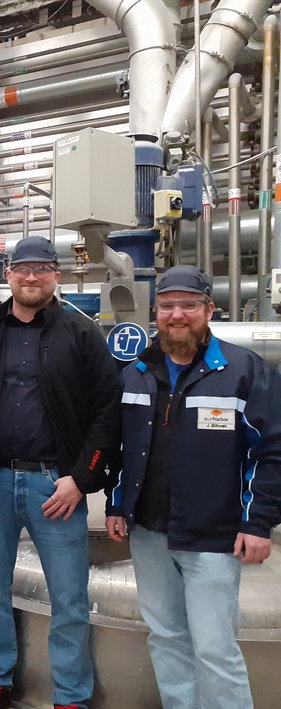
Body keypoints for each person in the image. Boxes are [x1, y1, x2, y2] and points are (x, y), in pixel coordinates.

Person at [0, 236, 120, 709]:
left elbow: (107, 411)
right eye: (22, 268)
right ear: (8, 275)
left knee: (68, 598)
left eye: (42, 268)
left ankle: (70, 696)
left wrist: (81, 479)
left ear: (56, 275)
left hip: (55, 486)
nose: (30, 276)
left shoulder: (81, 333)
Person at [106, 265, 281, 709]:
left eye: (188, 305)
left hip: (213, 537)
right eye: (167, 306)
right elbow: (120, 447)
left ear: (209, 310)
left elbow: (272, 452)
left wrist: (258, 523)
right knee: (166, 638)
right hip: (147, 532)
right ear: (155, 312)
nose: (177, 315)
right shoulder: (137, 371)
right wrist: (115, 503)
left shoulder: (244, 371)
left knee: (214, 648)